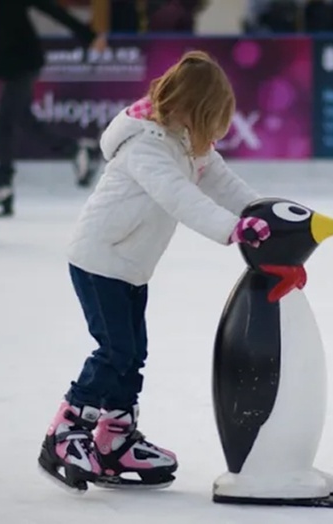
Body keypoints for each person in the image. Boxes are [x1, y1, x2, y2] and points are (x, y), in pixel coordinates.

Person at [37, 51, 271, 493]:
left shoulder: (186, 140)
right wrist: (233, 229)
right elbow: (179, 196)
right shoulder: (146, 144)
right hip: (99, 259)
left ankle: (114, 438)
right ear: (196, 109)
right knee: (115, 351)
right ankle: (64, 431)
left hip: (131, 266)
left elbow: (224, 184)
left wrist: (266, 212)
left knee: (133, 352)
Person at [0, 0, 108, 218]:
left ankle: (3, 182)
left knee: (4, 119)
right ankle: (76, 150)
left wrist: (89, 35)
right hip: (9, 60)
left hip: (23, 58)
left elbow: (50, 7)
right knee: (20, 119)